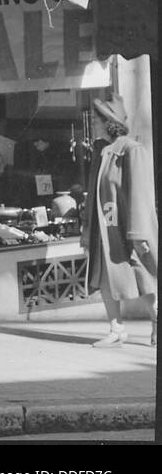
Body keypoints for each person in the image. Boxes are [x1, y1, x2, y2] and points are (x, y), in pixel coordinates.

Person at [84, 93, 157, 348]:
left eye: (95, 119)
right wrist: (87, 232)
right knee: (105, 277)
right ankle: (116, 329)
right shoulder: (100, 151)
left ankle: (157, 319)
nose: (92, 123)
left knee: (141, 275)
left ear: (108, 122)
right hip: (104, 230)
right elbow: (93, 195)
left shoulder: (130, 150)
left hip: (127, 228)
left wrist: (139, 234)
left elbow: (140, 194)